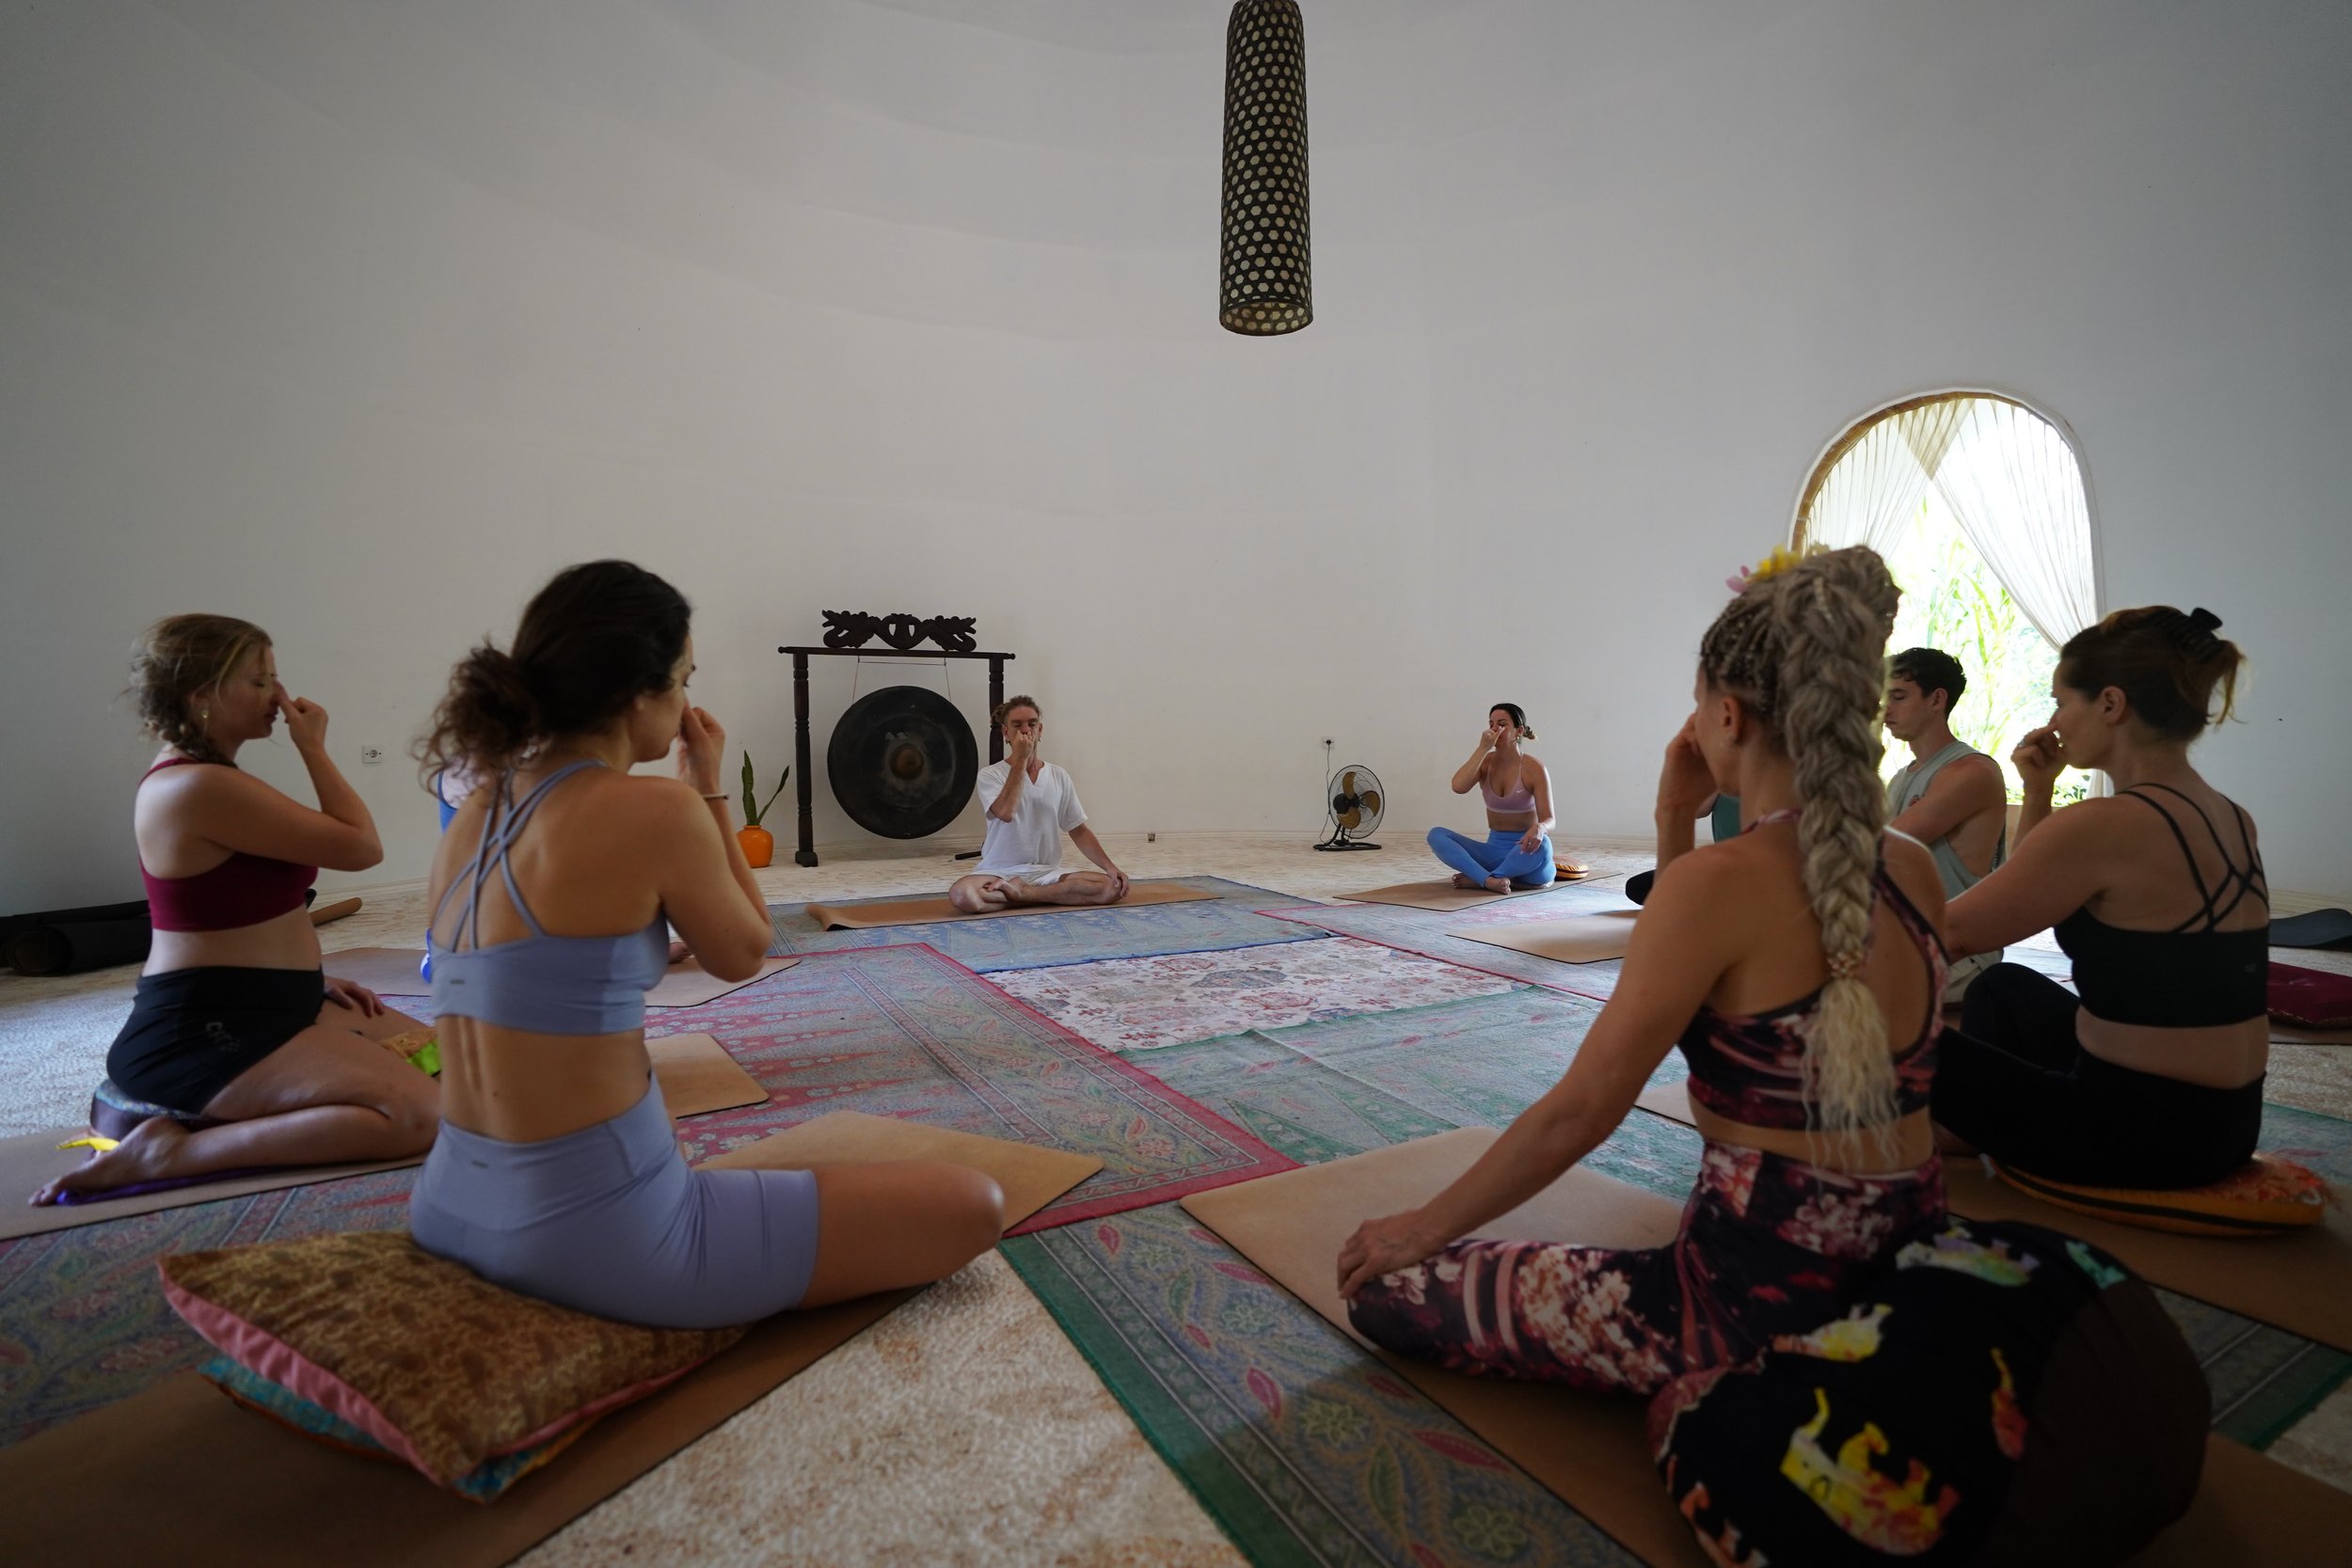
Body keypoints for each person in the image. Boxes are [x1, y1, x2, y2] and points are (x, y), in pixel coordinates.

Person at [1340, 546, 1953, 1393]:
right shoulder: (1916, 868)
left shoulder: (1716, 886)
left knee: (1390, 1294)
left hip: (1752, 1304)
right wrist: (1673, 818)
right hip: (1910, 1271)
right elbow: (1710, 977)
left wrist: (1418, 1230)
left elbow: (1584, 1110)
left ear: (1728, 717)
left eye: (1698, 703)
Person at [408, 562, 1003, 1327]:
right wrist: (709, 789)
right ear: (638, 693)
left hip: (446, 1206)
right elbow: (744, 949)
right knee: (969, 1203)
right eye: (685, 678)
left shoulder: (477, 810)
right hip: (598, 1237)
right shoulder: (653, 807)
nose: (689, 698)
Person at [34, 616, 438, 1205]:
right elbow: (361, 848)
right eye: (257, 681)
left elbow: (243, 916)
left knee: (449, 1065)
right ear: (201, 696)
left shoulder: (214, 780)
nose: (278, 696)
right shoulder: (198, 787)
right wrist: (313, 750)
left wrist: (305, 979)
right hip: (205, 1032)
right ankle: (169, 1152)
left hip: (273, 1004)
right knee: (418, 1116)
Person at [1933, 607, 2265, 1189]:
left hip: (2134, 1136)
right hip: (2225, 1125)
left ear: (2111, 705)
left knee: (1859, 1027)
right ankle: (1971, 1128)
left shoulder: (2105, 825)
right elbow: (2032, 896)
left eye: (2063, 701)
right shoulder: (2232, 815)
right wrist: (2040, 789)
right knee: (2003, 988)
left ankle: (1957, 1128)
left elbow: (1946, 934)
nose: (2055, 720)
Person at [1883, 645, 2010, 996]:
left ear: (1937, 699)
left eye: (1897, 696)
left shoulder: (1972, 772)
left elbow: (1880, 847)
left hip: (1960, 959)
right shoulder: (1901, 776)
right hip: (1910, 946)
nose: (1885, 709)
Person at [947, 697, 1131, 913]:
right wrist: (1020, 760)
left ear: (1040, 729)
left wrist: (1110, 867)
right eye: (1017, 725)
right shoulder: (991, 775)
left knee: (1112, 888)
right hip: (999, 872)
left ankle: (1023, 894)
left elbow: (1078, 829)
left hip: (1047, 873)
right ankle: (1043, 896)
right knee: (963, 895)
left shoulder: (1058, 775)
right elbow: (1006, 812)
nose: (1026, 731)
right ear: (1006, 733)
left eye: (1032, 724)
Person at [1425, 704, 1558, 894]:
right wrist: (1482, 749)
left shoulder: (1534, 768)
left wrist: (1539, 827)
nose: (1495, 729)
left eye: (1502, 724)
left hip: (1525, 854)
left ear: (1518, 731)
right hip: (1493, 851)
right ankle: (1490, 880)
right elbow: (1458, 787)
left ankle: (1483, 878)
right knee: (1436, 834)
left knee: (1544, 843)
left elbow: (1550, 820)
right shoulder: (1485, 763)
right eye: (1491, 724)